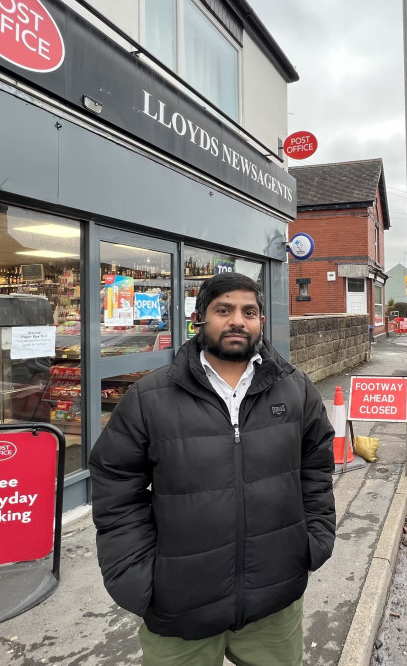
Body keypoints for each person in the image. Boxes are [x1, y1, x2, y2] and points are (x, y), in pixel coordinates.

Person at [90, 272, 335, 666]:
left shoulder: (297, 389)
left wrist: (314, 540)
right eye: (224, 310)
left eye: (249, 311)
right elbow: (116, 488)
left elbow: (317, 468)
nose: (238, 320)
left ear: (260, 322)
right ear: (200, 319)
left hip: (274, 600)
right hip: (179, 607)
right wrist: (135, 575)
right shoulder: (149, 398)